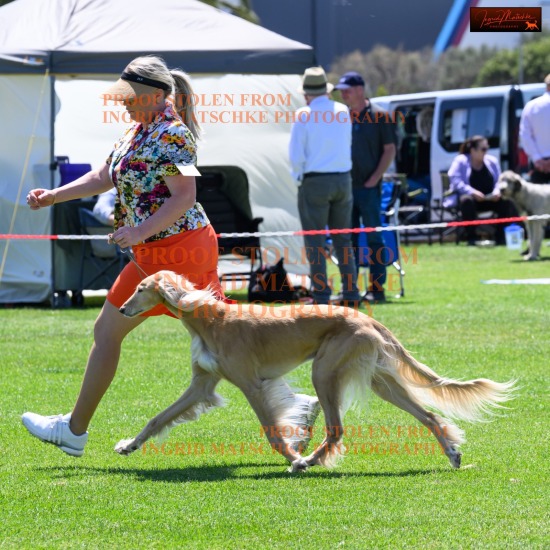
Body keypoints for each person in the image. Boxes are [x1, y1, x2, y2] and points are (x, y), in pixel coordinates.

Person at [22, 55, 319, 456]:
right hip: (153, 252)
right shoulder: (135, 130)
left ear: (156, 94)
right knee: (215, 338)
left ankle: (73, 431)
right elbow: (104, 175)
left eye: (130, 94)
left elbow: (186, 196)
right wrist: (54, 195)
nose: (122, 101)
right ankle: (294, 405)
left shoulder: (176, 135)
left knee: (217, 340)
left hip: (181, 252)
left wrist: (138, 229)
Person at [289, 66, 360, 307]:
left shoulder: (303, 115)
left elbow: (296, 155)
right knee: (344, 240)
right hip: (342, 179)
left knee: (315, 242)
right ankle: (351, 293)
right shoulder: (343, 111)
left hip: (315, 181)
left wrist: (299, 178)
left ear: (306, 93)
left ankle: (321, 295)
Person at [334, 72, 397, 304]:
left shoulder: (380, 115)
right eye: (341, 90)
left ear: (360, 89)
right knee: (346, 239)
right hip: (345, 188)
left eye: (347, 89)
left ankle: (377, 290)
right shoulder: (342, 116)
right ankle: (350, 290)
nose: (343, 94)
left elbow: (390, 149)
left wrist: (375, 178)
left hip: (369, 189)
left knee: (374, 239)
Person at [446, 135, 517, 245]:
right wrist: (472, 192)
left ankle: (500, 237)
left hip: (489, 199)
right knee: (466, 201)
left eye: (487, 149)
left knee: (506, 200)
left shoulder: (492, 161)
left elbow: (499, 181)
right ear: (473, 150)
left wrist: (496, 192)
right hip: (471, 201)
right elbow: (455, 181)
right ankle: (471, 238)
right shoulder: (460, 161)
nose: (486, 152)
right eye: (483, 149)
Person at [519, 73, 550, 184]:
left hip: (538, 164)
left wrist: (537, 159)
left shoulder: (531, 106)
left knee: (538, 200)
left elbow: (524, 135)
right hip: (539, 162)